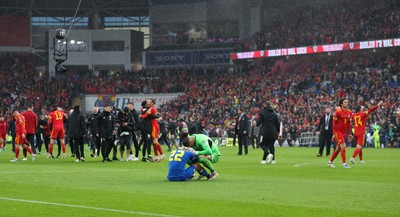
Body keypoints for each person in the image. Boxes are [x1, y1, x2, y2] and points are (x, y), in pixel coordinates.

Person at [328, 99, 353, 168]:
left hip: (344, 132)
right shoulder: (337, 112)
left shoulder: (350, 112)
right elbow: (334, 124)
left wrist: (350, 133)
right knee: (343, 146)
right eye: (345, 102)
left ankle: (330, 162)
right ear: (341, 104)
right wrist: (333, 134)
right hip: (337, 132)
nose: (346, 103)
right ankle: (344, 164)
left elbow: (349, 124)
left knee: (338, 148)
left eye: (347, 102)